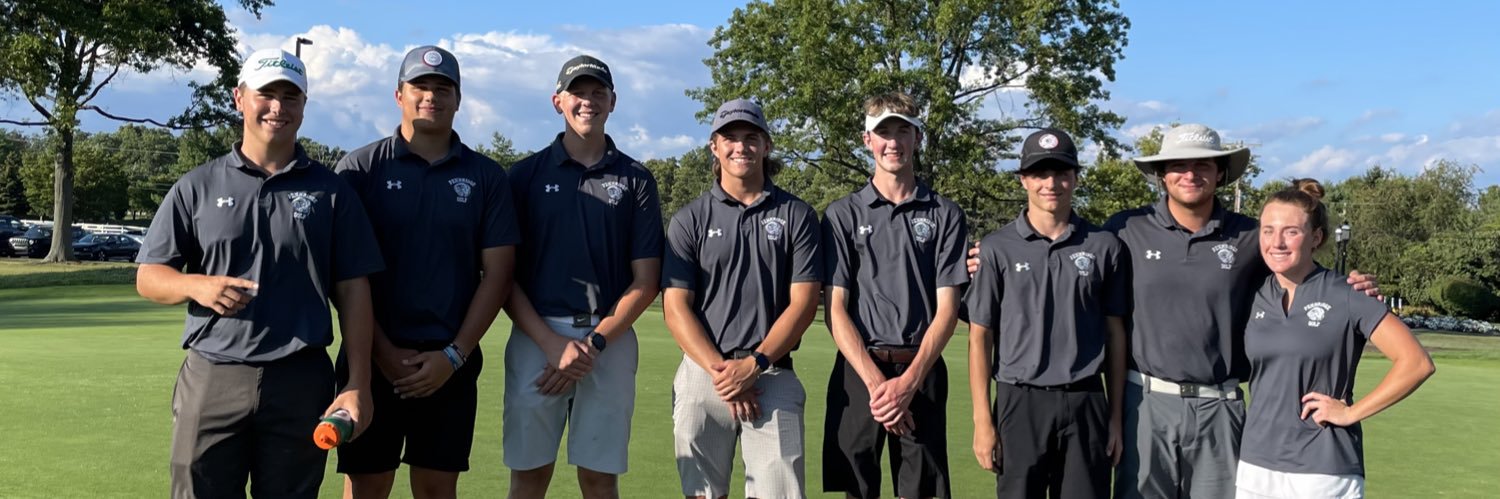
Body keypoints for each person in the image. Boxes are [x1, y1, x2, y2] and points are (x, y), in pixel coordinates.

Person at [965, 123, 1379, 498]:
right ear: (1162, 175)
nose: (1190, 174)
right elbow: (1067, 248)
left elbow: (1294, 261)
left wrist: (1350, 286)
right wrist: (991, 255)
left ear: (1221, 173)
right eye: (1178, 165)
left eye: (1202, 165)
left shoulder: (1251, 236)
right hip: (1146, 402)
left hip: (1220, 405)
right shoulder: (1124, 229)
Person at [135, 48, 382, 498]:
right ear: (239, 98)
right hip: (213, 374)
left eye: (291, 96)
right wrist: (195, 285)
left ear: (304, 105)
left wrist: (357, 383)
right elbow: (149, 276)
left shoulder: (332, 192)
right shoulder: (198, 185)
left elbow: (354, 292)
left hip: (300, 379)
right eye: (266, 94)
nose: (278, 107)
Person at [331, 45, 519, 499]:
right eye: (420, 86)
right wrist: (382, 352)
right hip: (370, 360)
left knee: (437, 489)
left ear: (458, 99)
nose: (431, 96)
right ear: (399, 94)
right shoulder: (360, 169)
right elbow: (343, 276)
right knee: (366, 486)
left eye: (442, 88)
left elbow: (497, 275)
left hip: (449, 363)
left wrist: (453, 355)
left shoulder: (486, 176)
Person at [502, 54, 664, 499]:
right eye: (578, 93)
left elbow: (646, 280)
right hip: (537, 338)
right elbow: (503, 277)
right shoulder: (523, 176)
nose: (588, 101)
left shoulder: (636, 179)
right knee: (529, 478)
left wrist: (593, 345)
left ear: (613, 101)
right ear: (558, 101)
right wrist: (551, 344)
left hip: (609, 339)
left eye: (598, 93)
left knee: (599, 481)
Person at [661, 99, 822, 499]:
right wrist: (725, 374)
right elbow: (675, 307)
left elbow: (803, 303)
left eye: (751, 137)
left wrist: (755, 364)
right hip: (704, 373)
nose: (740, 146)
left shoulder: (797, 215)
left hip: (772, 372)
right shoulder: (689, 219)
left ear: (767, 146)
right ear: (714, 147)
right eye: (729, 138)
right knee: (701, 494)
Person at [1236, 180, 1433, 498]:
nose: (1277, 242)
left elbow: (1416, 363)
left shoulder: (1348, 293)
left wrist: (1351, 413)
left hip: (1324, 469)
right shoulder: (1251, 293)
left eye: (1291, 231)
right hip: (1255, 467)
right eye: (1268, 230)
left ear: (1316, 238)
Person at [822, 92, 968, 499]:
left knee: (920, 491)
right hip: (858, 372)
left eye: (903, 131)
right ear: (867, 139)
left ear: (917, 137)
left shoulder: (945, 214)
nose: (893, 142)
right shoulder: (842, 214)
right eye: (883, 132)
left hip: (921, 371)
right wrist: (877, 385)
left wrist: (907, 384)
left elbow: (948, 310)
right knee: (857, 489)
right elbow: (835, 309)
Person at [966, 129, 1127, 498]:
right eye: (1040, 174)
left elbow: (1116, 334)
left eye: (1061, 173)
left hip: (1086, 400)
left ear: (1075, 177)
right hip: (1020, 401)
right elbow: (980, 336)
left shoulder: (1104, 246)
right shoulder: (995, 248)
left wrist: (1116, 417)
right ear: (1023, 180)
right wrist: (982, 421)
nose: (1051, 184)